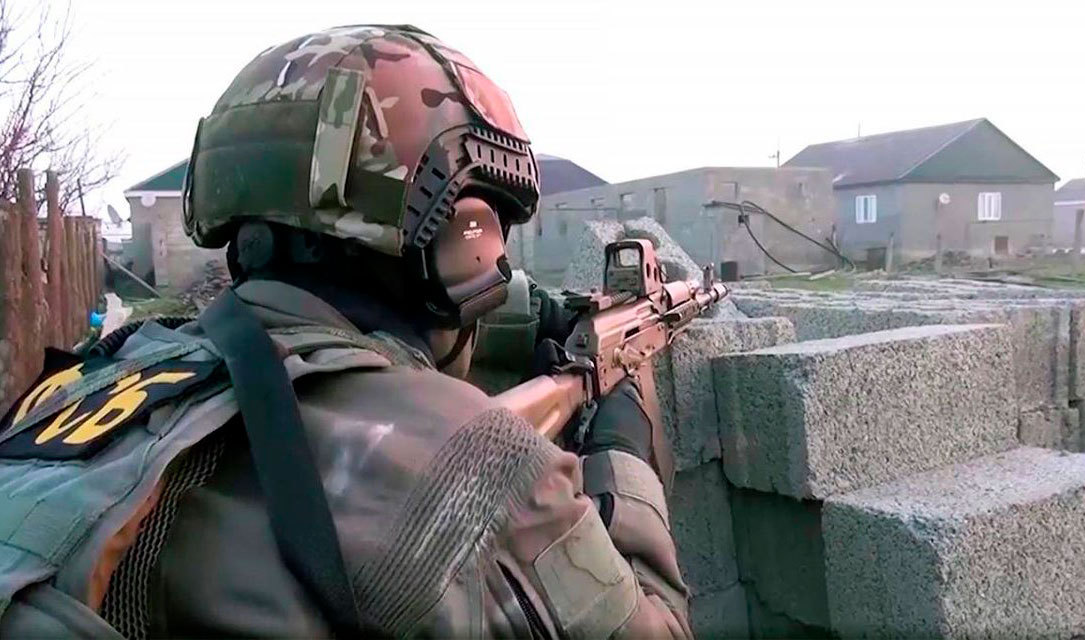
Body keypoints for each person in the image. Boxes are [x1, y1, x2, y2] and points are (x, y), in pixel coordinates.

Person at [0, 24, 689, 639]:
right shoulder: (477, 472)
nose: (495, 264)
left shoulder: (93, 375)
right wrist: (622, 440)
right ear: (459, 235)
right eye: (491, 231)